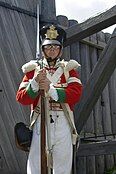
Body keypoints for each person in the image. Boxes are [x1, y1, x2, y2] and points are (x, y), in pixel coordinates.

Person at [16, 24, 83, 174]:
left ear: (60, 50)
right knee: (36, 167)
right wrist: (34, 83)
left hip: (63, 122)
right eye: (48, 47)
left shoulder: (68, 69)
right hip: (40, 121)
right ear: (43, 49)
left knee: (62, 166)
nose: (52, 50)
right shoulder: (33, 70)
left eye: (55, 47)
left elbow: (76, 94)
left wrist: (50, 90)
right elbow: (22, 98)